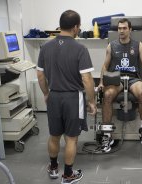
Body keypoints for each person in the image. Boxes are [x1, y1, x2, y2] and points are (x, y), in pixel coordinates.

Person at [37, 10, 97, 184]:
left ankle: (54, 167)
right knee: (71, 138)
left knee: (54, 135)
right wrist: (92, 101)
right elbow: (86, 79)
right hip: (73, 98)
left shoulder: (45, 47)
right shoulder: (80, 48)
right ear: (76, 27)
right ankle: (68, 175)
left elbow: (40, 76)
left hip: (54, 96)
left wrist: (47, 93)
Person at [98, 18, 142, 152]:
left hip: (133, 78)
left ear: (130, 30)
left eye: (124, 28)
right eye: (119, 28)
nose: (121, 30)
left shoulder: (138, 45)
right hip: (116, 79)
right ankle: (107, 134)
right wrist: (101, 82)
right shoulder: (111, 45)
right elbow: (105, 66)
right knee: (107, 95)